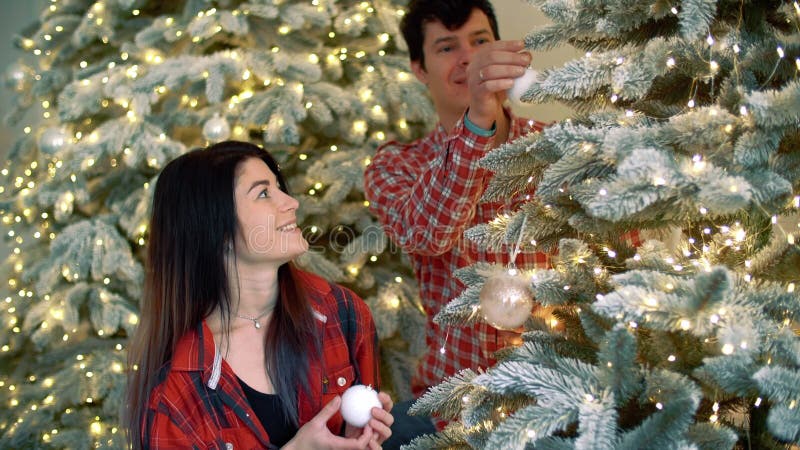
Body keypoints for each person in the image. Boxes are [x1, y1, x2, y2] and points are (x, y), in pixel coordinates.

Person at [364, 0, 550, 447]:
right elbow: (429, 234)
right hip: (452, 413)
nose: (469, 58)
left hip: (559, 398)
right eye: (447, 48)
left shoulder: (556, 149)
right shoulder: (397, 166)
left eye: (480, 41)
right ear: (420, 70)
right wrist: (479, 118)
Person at [125, 141, 393, 449]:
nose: (291, 202)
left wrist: (356, 439)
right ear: (217, 232)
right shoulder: (176, 393)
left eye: (279, 187)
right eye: (263, 193)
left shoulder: (342, 313)